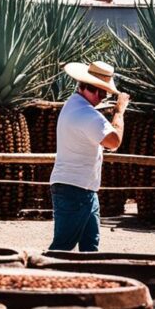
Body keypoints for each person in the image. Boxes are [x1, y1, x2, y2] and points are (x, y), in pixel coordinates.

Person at [49, 61, 130, 252]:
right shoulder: (87, 114)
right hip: (76, 189)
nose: (101, 97)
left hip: (82, 188)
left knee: (89, 247)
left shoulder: (75, 106)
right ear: (84, 87)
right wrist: (119, 112)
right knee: (62, 248)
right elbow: (114, 141)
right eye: (99, 92)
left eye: (105, 93)